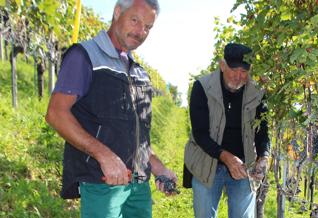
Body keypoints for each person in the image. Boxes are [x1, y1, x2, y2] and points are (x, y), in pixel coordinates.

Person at [45, 0, 177, 217]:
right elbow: (56, 114)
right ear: (117, 12)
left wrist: (158, 167)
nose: (141, 31)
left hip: (139, 188)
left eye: (148, 27)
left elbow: (136, 136)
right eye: (135, 20)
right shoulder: (84, 56)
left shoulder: (139, 73)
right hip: (102, 184)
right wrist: (104, 156)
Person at [183, 43, 270, 218]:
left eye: (244, 72)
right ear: (222, 65)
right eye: (234, 69)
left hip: (244, 166)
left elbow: (263, 131)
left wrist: (264, 156)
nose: (239, 76)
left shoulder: (257, 92)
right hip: (206, 163)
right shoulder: (202, 87)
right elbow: (200, 134)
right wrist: (227, 158)